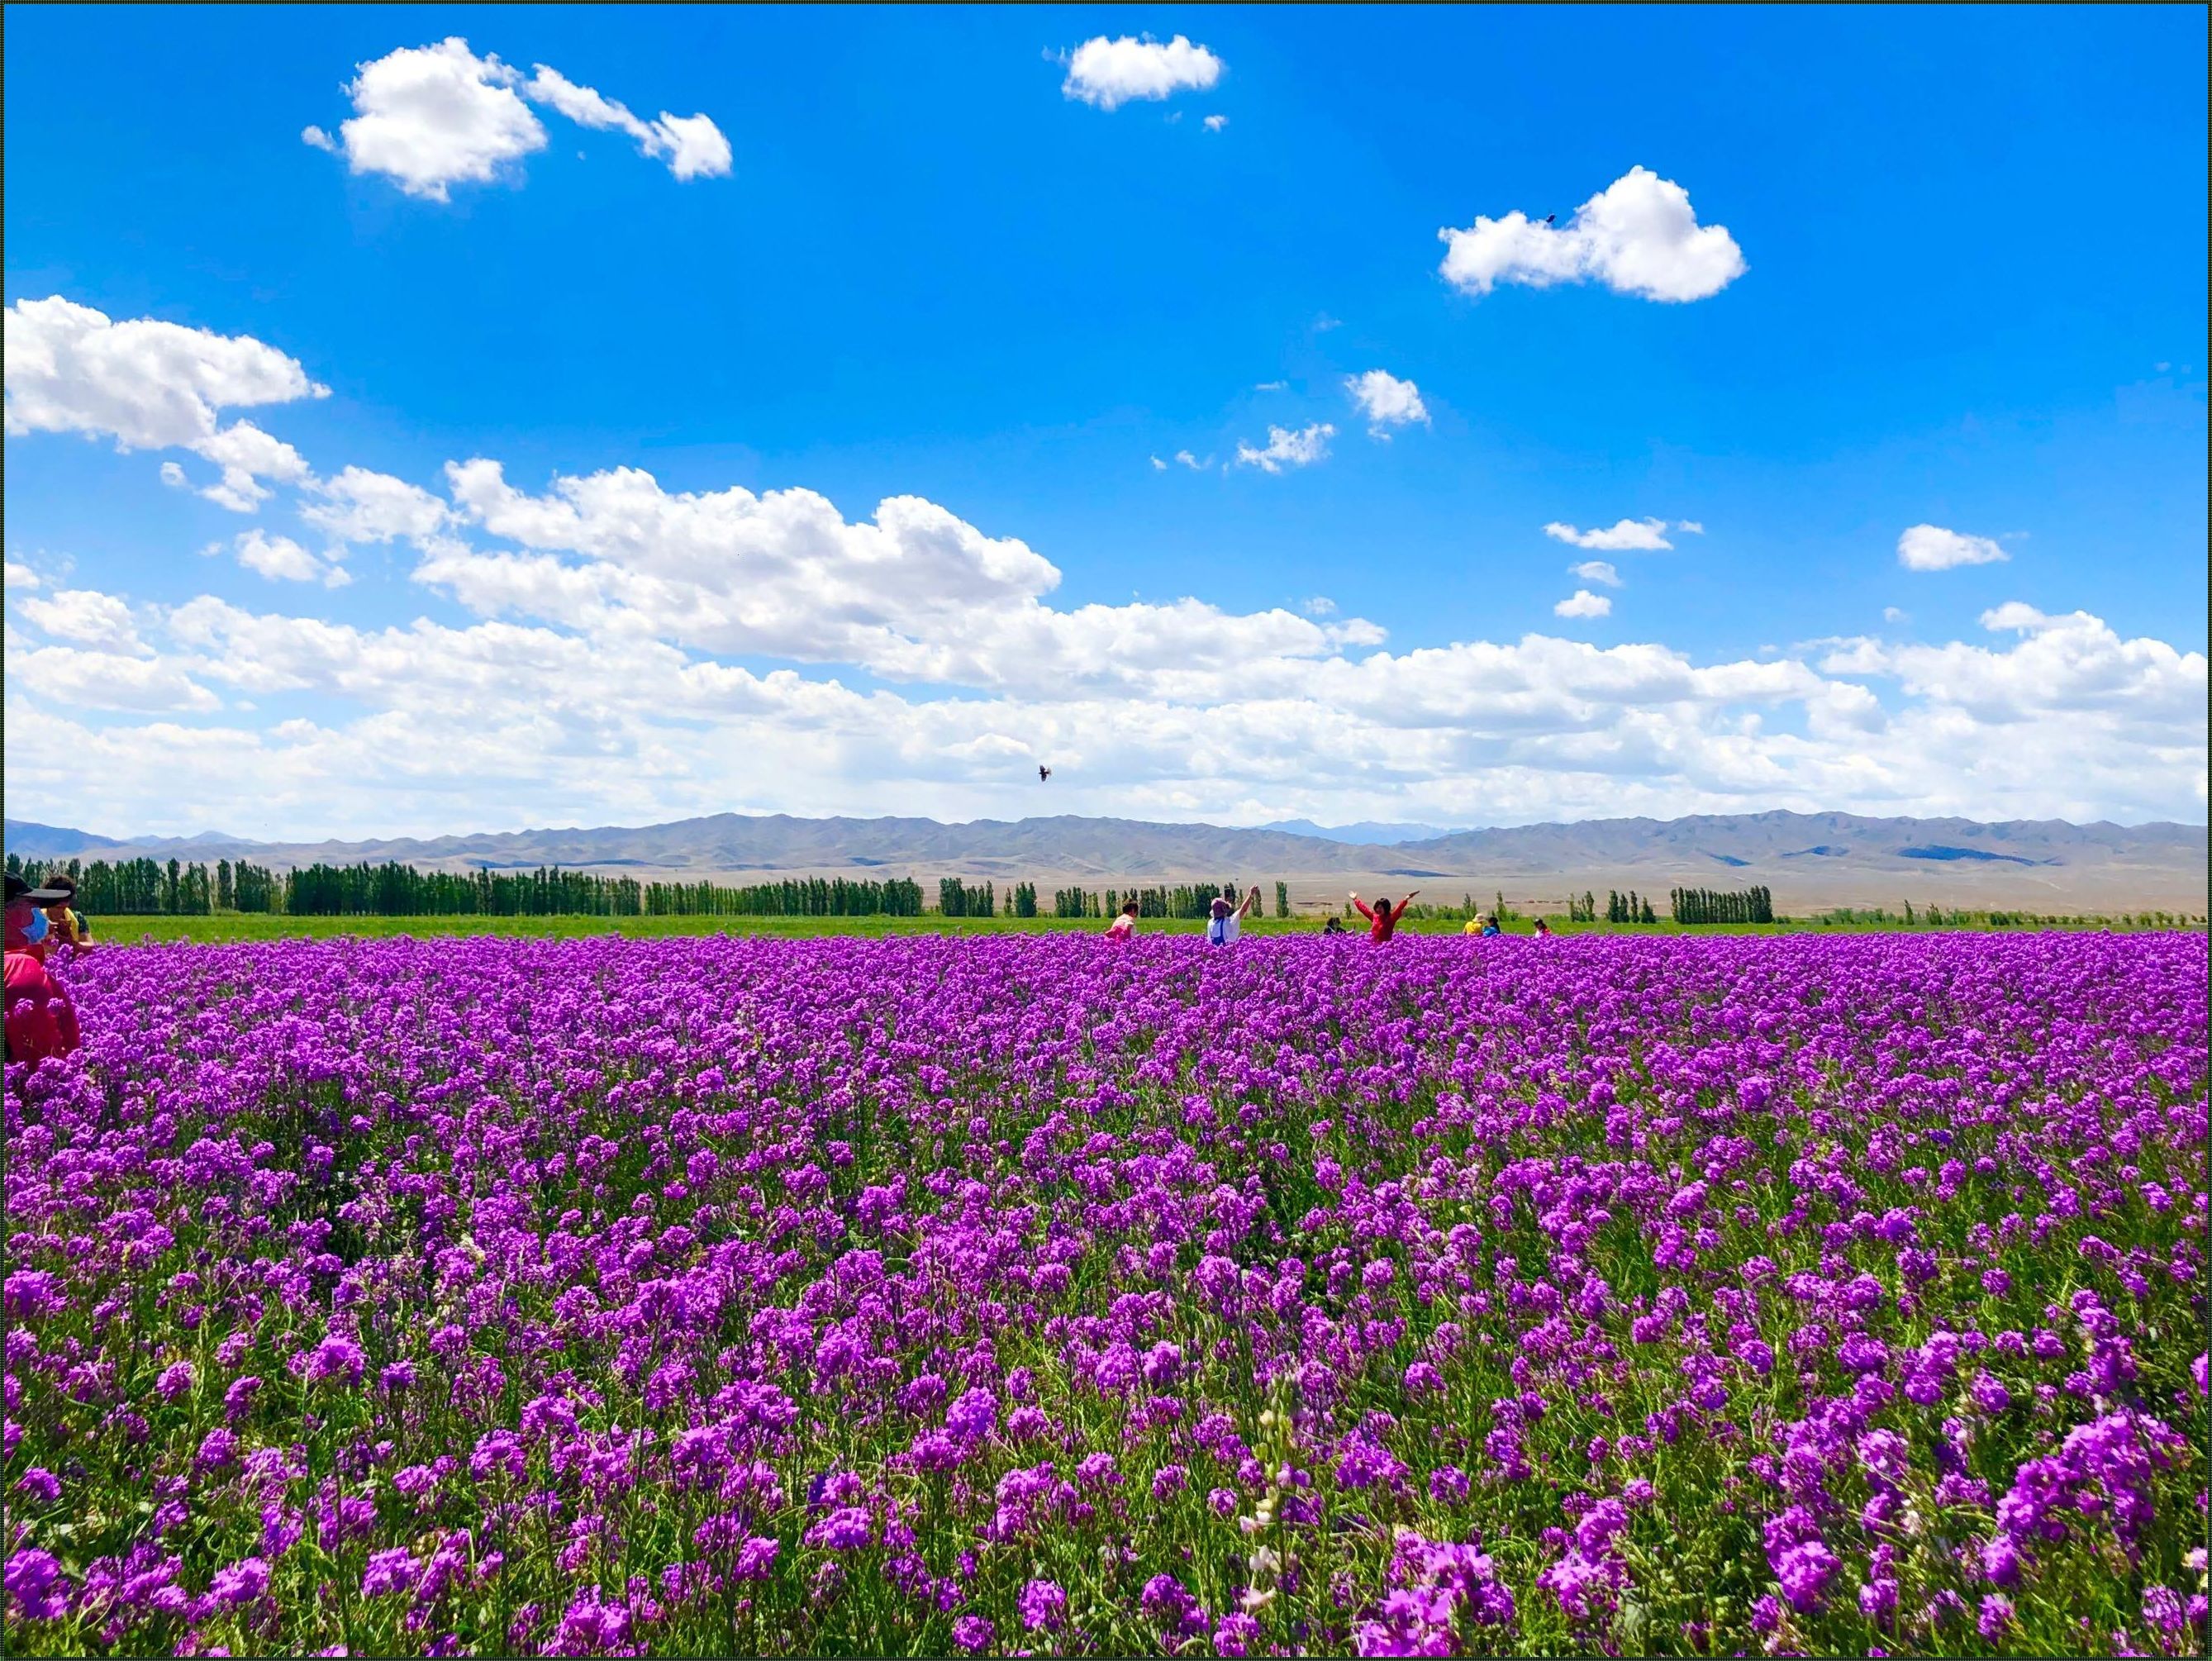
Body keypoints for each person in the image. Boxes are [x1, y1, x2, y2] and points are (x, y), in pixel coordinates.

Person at [6, 873, 82, 1066]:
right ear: (8, 913)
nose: (42, 919)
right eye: (32, 907)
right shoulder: (20, 968)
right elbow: (40, 1063)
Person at [40, 872, 93, 954]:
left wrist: (72, 943)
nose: (60, 905)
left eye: (65, 900)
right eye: (56, 901)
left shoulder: (77, 917)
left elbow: (90, 945)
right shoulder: (36, 918)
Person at [1349, 888, 1418, 943]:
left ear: (1386, 908)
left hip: (1386, 949)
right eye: (1377, 907)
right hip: (1374, 948)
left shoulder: (1391, 918)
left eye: (1381, 908)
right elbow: (1364, 909)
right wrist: (1355, 899)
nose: (1378, 910)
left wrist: (1407, 898)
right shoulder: (1374, 917)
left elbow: (1399, 908)